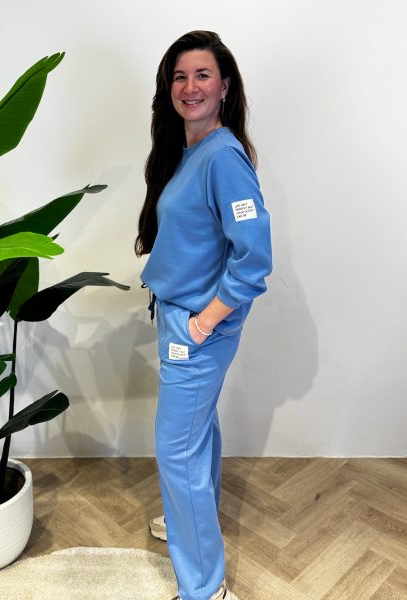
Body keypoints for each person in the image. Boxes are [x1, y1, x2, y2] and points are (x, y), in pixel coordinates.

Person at [135, 30, 272, 600]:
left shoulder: (223, 159)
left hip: (196, 328)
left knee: (177, 450)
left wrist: (203, 322)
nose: (190, 87)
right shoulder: (191, 150)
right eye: (180, 76)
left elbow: (254, 259)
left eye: (203, 75)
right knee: (196, 433)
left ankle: (203, 587)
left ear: (225, 86)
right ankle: (189, 518)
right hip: (180, 317)